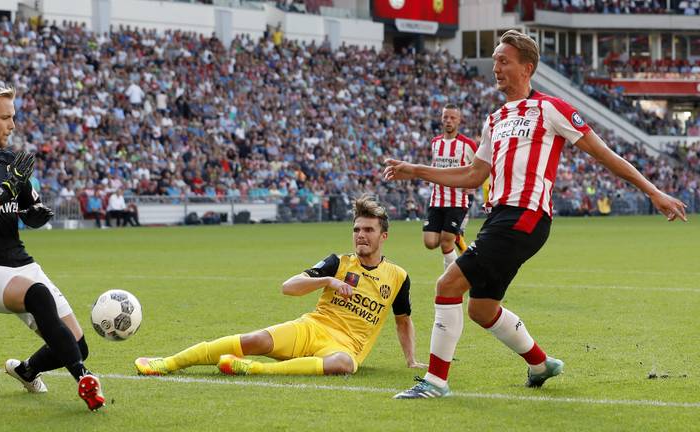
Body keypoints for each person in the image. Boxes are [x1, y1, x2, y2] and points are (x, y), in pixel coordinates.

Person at [383, 30, 687, 399]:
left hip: (526, 216)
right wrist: (416, 169)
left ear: (527, 68)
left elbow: (603, 153)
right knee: (481, 308)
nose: (495, 67)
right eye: (494, 59)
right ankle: (541, 364)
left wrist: (653, 191)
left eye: (503, 60)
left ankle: (434, 382)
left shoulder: (550, 108)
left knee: (447, 285)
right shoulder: (493, 120)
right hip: (500, 218)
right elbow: (472, 176)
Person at [0, 86, 105, 411]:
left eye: (13, 116)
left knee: (76, 345)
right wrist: (2, 193)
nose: (13, 124)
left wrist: (36, 213)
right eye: (6, 117)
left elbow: (27, 205)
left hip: (19, 262)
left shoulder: (10, 161)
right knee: (39, 295)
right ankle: (85, 379)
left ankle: (27, 370)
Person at [135, 195, 425, 376]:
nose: (361, 235)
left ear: (383, 236)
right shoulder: (338, 262)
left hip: (346, 347)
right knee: (254, 340)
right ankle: (168, 363)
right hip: (313, 328)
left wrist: (411, 360)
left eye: (369, 230)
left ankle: (256, 369)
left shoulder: (398, 276)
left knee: (343, 365)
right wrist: (326, 280)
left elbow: (403, 321)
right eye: (357, 229)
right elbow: (289, 286)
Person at [423, 104, 478, 272]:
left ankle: (457, 277)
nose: (448, 121)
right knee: (430, 242)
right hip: (436, 199)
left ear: (459, 121)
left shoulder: (467, 144)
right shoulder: (435, 143)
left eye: (452, 118)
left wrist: (473, 184)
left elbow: (480, 168)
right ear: (441, 119)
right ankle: (465, 254)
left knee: (447, 240)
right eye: (445, 117)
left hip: (458, 200)